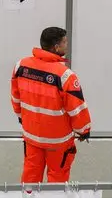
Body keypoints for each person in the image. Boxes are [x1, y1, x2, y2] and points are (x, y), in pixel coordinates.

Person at [11, 26, 92, 184]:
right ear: (56, 47)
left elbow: (16, 98)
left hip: (32, 136)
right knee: (57, 178)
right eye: (65, 42)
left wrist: (22, 117)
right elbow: (77, 109)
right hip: (58, 141)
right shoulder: (65, 76)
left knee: (30, 175)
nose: (67, 45)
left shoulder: (21, 66)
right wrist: (84, 131)